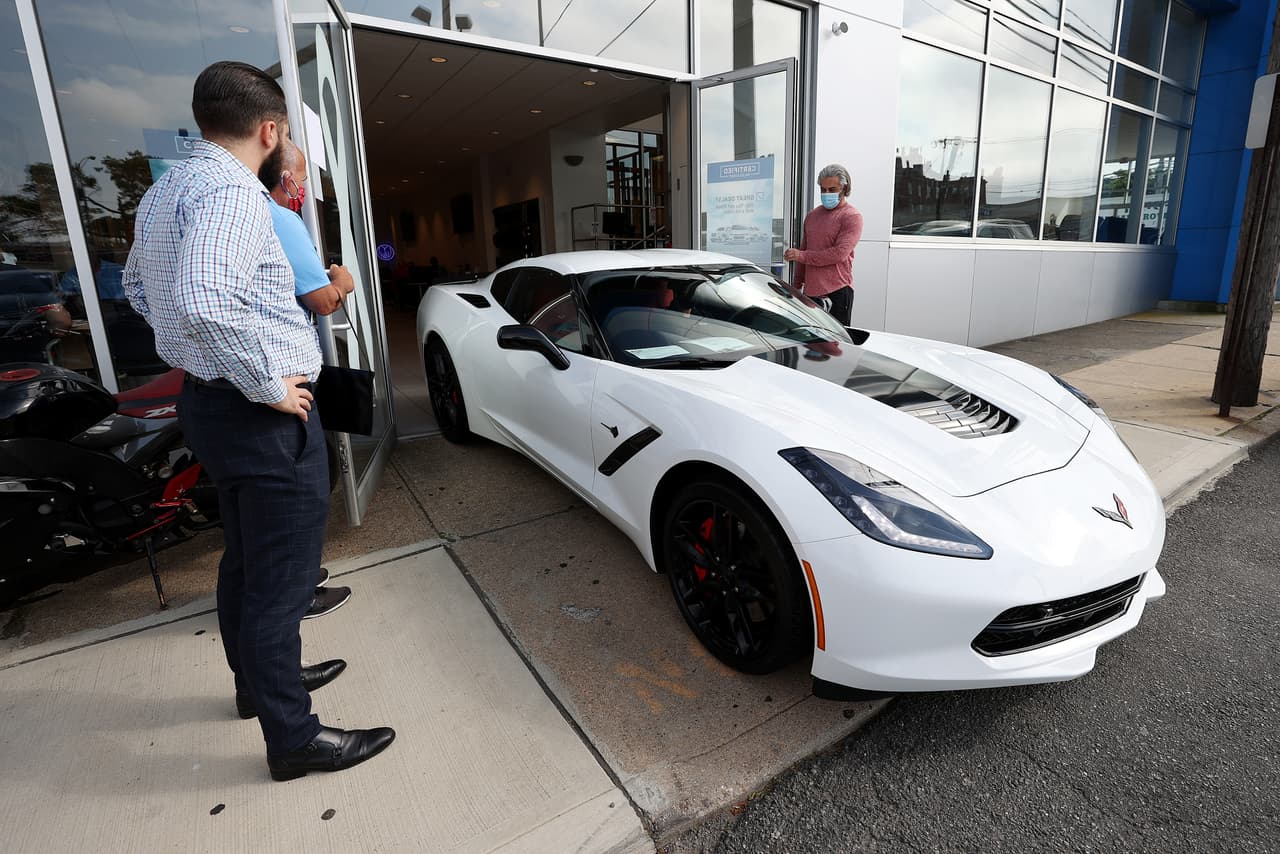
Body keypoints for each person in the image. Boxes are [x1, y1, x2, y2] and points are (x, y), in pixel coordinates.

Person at [123, 60, 394, 781]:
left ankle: (260, 689)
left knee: (245, 562)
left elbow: (138, 289)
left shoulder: (165, 191)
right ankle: (294, 739)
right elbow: (207, 301)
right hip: (258, 413)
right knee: (281, 581)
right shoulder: (234, 195)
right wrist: (264, 383)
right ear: (270, 130)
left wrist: (197, 357)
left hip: (212, 407)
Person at [261, 138, 355, 620]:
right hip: (281, 389)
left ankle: (297, 581)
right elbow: (322, 300)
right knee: (305, 495)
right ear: (288, 180)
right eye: (303, 180)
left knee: (272, 511)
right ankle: (298, 597)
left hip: (260, 387)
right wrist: (342, 281)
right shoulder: (280, 217)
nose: (304, 191)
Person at [783, 163, 863, 326]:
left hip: (838, 291)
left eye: (832, 189)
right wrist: (796, 286)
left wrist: (801, 255)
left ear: (844, 189)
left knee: (837, 345)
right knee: (811, 345)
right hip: (810, 293)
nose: (826, 194)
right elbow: (804, 250)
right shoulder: (812, 216)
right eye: (823, 190)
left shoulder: (852, 216)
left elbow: (839, 253)